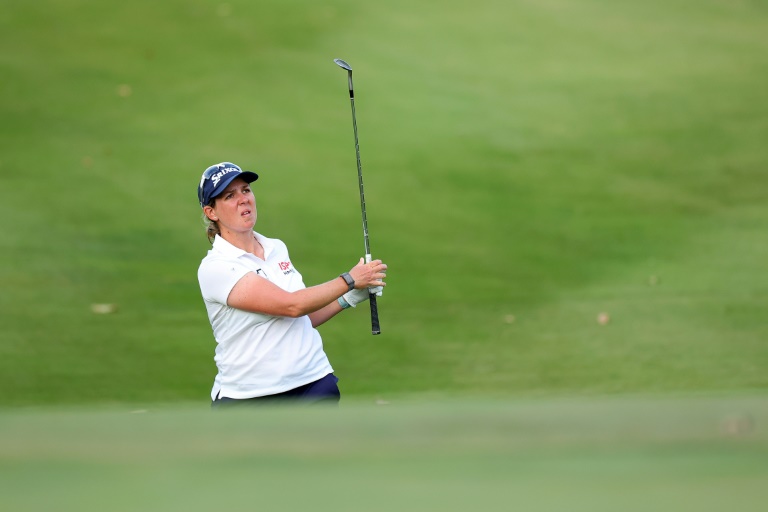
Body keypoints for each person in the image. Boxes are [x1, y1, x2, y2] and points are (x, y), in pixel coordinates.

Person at [196, 162, 387, 408]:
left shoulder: (276, 248)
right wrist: (349, 280)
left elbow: (301, 317)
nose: (243, 199)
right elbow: (291, 306)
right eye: (230, 196)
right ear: (211, 212)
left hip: (313, 382)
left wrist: (347, 298)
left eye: (245, 190)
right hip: (251, 397)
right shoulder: (216, 267)